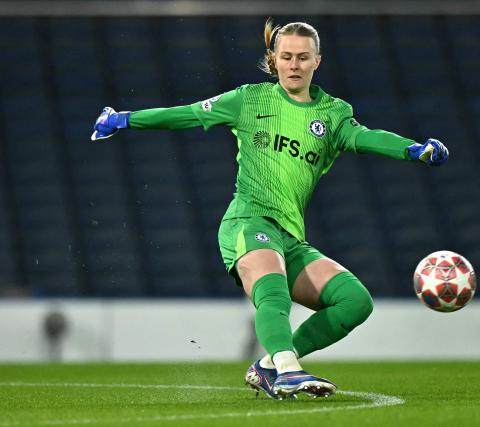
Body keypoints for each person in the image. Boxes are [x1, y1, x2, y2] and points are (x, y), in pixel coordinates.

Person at [91, 19, 449, 399]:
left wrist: (412, 149)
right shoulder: (249, 100)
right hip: (248, 221)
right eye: (287, 56)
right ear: (273, 60)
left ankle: (268, 365)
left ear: (317, 62)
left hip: (290, 236)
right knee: (273, 290)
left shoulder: (332, 113)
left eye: (303, 57)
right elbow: (187, 114)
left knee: (355, 302)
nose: (294, 64)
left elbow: (363, 137)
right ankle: (288, 370)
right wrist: (125, 120)